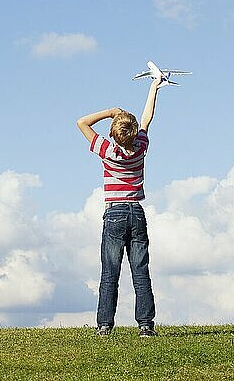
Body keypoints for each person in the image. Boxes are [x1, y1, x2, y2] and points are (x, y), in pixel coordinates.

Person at [76, 73, 162, 337]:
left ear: (113, 135)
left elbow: (82, 122)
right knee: (140, 270)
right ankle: (146, 326)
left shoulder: (107, 150)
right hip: (136, 211)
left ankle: (104, 325)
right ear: (134, 133)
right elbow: (147, 117)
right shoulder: (140, 147)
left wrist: (110, 111)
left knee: (110, 272)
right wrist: (154, 86)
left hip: (114, 212)